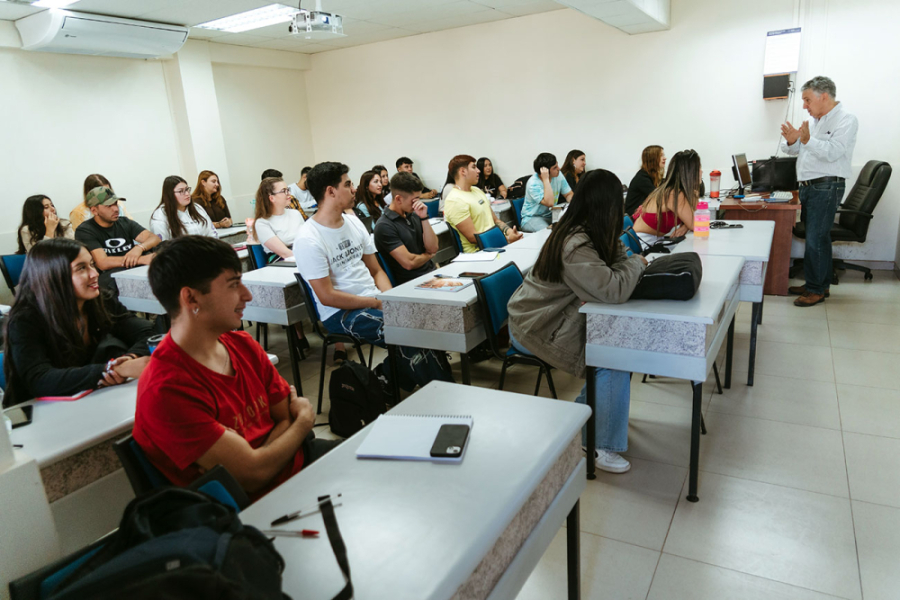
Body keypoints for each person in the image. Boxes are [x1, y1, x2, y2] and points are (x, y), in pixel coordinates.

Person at [134, 236, 338, 499]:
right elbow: (252, 476)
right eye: (233, 285)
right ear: (191, 298)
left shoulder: (242, 344)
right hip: (252, 511)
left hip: (300, 467)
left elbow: (283, 419)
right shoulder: (166, 389)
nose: (247, 295)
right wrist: (303, 423)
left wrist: (264, 453)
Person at [508, 170, 647, 473]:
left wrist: (627, 264)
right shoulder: (575, 243)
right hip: (537, 327)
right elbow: (614, 288)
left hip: (556, 318)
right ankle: (598, 443)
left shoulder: (593, 230)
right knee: (612, 356)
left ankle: (590, 420)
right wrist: (636, 263)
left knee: (616, 346)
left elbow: (619, 261)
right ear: (605, 204)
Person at [293, 162, 453, 393]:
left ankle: (385, 378)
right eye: (347, 184)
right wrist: (376, 302)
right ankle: (445, 394)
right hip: (340, 313)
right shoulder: (309, 238)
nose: (354, 188)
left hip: (374, 299)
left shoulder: (353, 222)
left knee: (425, 323)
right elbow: (327, 296)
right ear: (330, 191)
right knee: (407, 332)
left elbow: (376, 270)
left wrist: (390, 299)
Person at [2, 238, 153, 407]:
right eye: (81, 268)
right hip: (43, 414)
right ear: (53, 276)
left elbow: (147, 332)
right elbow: (39, 380)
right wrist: (110, 370)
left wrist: (128, 359)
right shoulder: (26, 319)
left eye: (91, 264)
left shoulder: (100, 300)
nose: (94, 273)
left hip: (94, 401)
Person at [781, 76, 858, 307]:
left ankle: (815, 290)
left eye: (807, 99)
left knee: (815, 239)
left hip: (826, 187)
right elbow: (795, 150)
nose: (805, 105)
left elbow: (833, 152)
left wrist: (806, 141)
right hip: (809, 188)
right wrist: (794, 140)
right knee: (820, 239)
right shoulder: (814, 122)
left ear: (823, 96)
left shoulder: (846, 120)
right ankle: (820, 284)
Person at [74, 186, 161, 289]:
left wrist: (139, 248)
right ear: (94, 210)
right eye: (108, 206)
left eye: (115, 203)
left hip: (134, 268)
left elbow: (154, 238)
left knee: (165, 246)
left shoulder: (124, 222)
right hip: (110, 276)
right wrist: (141, 259)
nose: (115, 209)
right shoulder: (85, 230)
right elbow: (102, 262)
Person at [444, 155, 523, 253]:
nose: (478, 171)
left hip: (497, 244)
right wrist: (507, 239)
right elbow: (473, 237)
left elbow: (495, 221)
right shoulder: (454, 200)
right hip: (480, 252)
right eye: (474, 167)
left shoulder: (477, 190)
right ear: (463, 171)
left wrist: (510, 232)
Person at [374, 172, 438, 285]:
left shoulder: (413, 214)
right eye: (414, 200)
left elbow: (433, 248)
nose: (418, 203)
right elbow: (409, 263)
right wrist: (428, 256)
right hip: (412, 283)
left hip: (431, 274)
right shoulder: (384, 226)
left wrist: (424, 218)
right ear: (398, 199)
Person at [631, 149, 701, 247]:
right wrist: (687, 225)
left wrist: (686, 226)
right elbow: (696, 224)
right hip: (643, 244)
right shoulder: (675, 194)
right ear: (690, 173)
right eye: (699, 168)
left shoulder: (675, 191)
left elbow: (693, 216)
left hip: (655, 241)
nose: (701, 171)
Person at [253, 177, 306, 261]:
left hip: (302, 254)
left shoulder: (295, 213)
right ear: (271, 198)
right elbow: (285, 253)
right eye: (283, 191)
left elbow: (307, 239)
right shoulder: (262, 223)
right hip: (282, 260)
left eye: (288, 190)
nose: (289, 193)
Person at [150, 176, 218, 241]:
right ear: (170, 194)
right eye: (181, 191)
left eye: (187, 189)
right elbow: (163, 246)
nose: (187, 194)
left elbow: (212, 233)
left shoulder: (197, 208)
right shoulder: (160, 216)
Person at [520, 152, 574, 233]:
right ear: (545, 171)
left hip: (552, 215)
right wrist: (546, 179)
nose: (559, 168)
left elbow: (568, 194)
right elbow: (550, 203)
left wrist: (573, 202)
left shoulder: (558, 175)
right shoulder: (533, 183)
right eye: (555, 167)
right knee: (550, 234)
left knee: (572, 228)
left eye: (557, 165)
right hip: (532, 218)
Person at [625, 146, 666, 217]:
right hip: (634, 218)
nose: (665, 158)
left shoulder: (651, 176)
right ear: (652, 159)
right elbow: (659, 197)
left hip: (642, 215)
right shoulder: (642, 178)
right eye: (661, 155)